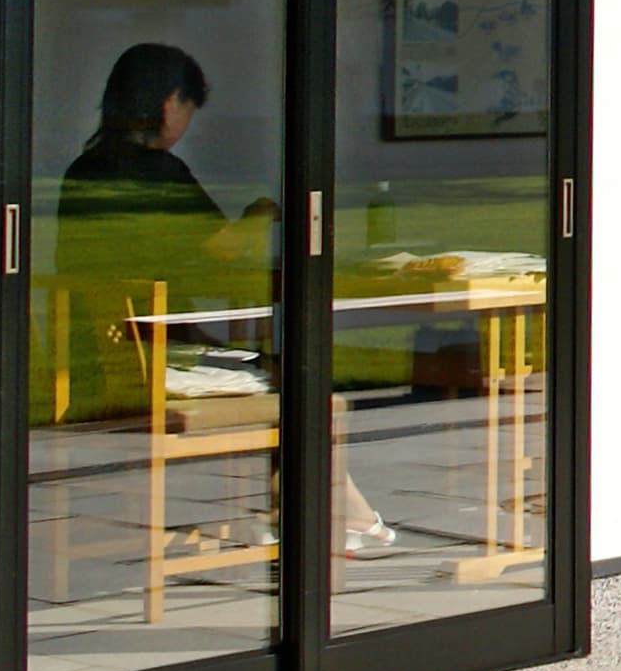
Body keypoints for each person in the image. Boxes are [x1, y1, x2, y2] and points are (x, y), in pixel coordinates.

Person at [66, 44, 394, 558]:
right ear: (170, 102)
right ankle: (323, 511)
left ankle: (312, 509)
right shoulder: (159, 172)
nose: (185, 124)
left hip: (99, 356)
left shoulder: (84, 170)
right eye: (188, 111)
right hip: (154, 364)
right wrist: (261, 213)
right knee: (297, 380)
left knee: (274, 371)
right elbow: (223, 247)